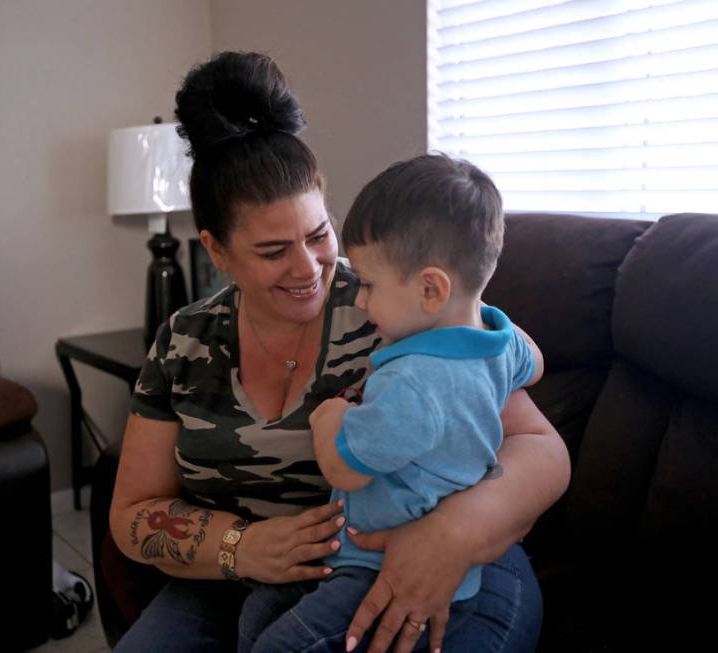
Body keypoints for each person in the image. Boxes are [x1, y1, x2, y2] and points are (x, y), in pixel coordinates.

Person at [108, 51, 570, 653]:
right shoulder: (185, 341)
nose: (309, 269)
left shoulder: (398, 305)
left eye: (318, 234)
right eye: (274, 251)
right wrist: (242, 546)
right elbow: (134, 511)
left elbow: (542, 450)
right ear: (216, 251)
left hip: (421, 555)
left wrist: (451, 534)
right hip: (234, 579)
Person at [244, 154, 545, 653]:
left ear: (431, 289)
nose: (359, 301)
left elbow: (345, 468)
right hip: (398, 553)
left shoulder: (413, 383)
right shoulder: (499, 338)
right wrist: (497, 328)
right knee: (260, 613)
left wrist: (329, 416)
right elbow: (535, 362)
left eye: (369, 285)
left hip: (380, 566)